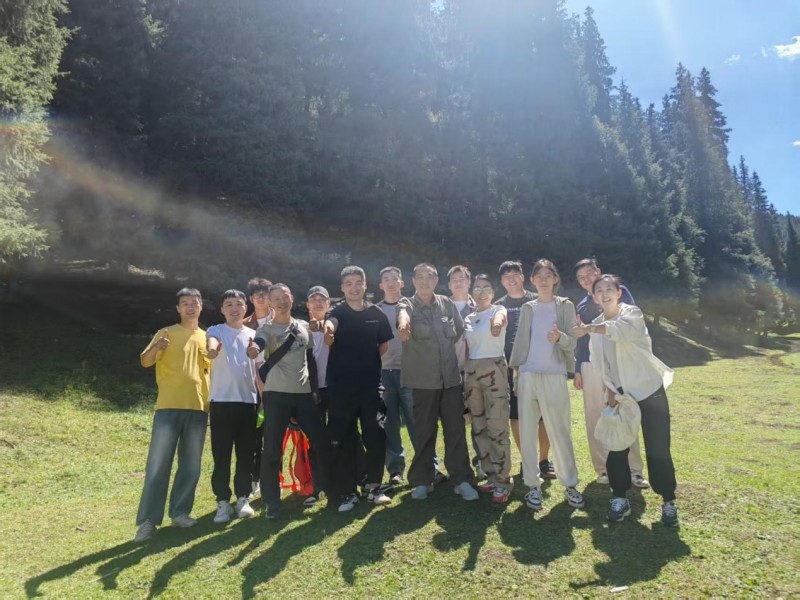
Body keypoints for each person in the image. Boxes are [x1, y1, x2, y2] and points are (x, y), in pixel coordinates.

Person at [572, 274, 678, 526]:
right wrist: (611, 392)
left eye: (610, 289)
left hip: (649, 390)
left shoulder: (632, 314)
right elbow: (602, 364)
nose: (605, 293)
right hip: (621, 395)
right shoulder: (596, 325)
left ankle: (668, 502)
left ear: (619, 293)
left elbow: (621, 331)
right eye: (599, 290)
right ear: (594, 297)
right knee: (617, 448)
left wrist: (588, 329)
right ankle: (620, 498)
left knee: (658, 449)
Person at [248, 283, 331, 519]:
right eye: (276, 298)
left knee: (321, 442)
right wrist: (254, 349)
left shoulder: (303, 326)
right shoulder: (266, 330)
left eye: (285, 297)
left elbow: (310, 360)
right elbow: (259, 343)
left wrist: (314, 390)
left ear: (292, 298)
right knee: (272, 449)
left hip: (304, 394)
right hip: (276, 395)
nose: (281, 301)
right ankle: (272, 502)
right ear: (270, 303)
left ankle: (327, 489)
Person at [134, 288, 211, 542]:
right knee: (158, 465)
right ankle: (147, 521)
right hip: (168, 407)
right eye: (185, 303)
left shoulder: (208, 337)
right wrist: (158, 347)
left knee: (191, 465)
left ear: (201, 306)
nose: (190, 307)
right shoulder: (165, 333)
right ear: (178, 308)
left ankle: (180, 513)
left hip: (198, 408)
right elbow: (145, 361)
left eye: (194, 302)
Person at [397, 263, 478, 501]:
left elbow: (458, 332)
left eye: (429, 277)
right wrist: (404, 324)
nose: (425, 281)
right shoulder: (407, 304)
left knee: (455, 431)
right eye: (420, 277)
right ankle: (423, 480)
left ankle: (461, 479)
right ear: (414, 281)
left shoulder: (446, 304)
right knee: (425, 432)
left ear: (436, 280)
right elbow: (403, 315)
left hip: (451, 380)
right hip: (423, 383)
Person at [509, 260, 584, 512]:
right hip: (528, 374)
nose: (543, 279)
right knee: (527, 432)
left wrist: (559, 337)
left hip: (555, 375)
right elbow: (521, 342)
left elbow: (572, 342)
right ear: (532, 280)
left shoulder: (565, 305)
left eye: (548, 275)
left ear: (555, 279)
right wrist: (517, 375)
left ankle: (570, 484)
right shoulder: (527, 307)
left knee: (560, 431)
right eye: (538, 275)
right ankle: (533, 486)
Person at [573, 258, 649, 488]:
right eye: (581, 278)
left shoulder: (619, 292)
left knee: (625, 411)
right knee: (595, 416)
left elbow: (629, 326)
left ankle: (634, 469)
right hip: (590, 364)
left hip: (619, 362)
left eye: (590, 274)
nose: (587, 280)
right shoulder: (582, 305)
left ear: (598, 271)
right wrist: (577, 369)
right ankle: (603, 469)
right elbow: (581, 340)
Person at [325, 266, 394, 512]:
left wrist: (366, 363)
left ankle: (374, 488)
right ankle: (348, 492)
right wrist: (328, 331)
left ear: (365, 285)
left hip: (370, 386)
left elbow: (383, 345)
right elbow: (330, 324)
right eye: (349, 283)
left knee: (375, 433)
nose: (354, 288)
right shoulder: (336, 312)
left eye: (358, 283)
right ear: (342, 288)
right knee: (344, 438)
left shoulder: (376, 313)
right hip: (341, 388)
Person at [495, 261, 555, 479]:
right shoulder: (498, 306)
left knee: (544, 415)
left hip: (541, 364)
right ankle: (527, 460)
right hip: (512, 368)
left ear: (523, 277)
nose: (511, 279)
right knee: (517, 415)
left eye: (514, 274)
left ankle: (543, 460)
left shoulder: (538, 299)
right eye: (506, 276)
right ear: (501, 282)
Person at [206, 290, 259, 523]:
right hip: (221, 402)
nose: (234, 309)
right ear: (222, 309)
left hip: (248, 402)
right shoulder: (215, 330)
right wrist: (212, 350)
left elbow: (258, 369)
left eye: (238, 304)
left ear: (245, 308)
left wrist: (264, 399)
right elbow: (212, 344)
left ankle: (243, 498)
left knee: (246, 453)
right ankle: (222, 502)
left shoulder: (254, 335)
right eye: (229, 304)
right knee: (221, 454)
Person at [463, 275, 513, 503]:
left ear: (493, 292)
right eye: (477, 289)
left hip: (494, 369)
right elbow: (467, 348)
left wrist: (496, 325)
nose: (481, 293)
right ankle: (490, 474)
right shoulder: (469, 317)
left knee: (497, 425)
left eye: (486, 288)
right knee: (479, 426)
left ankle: (503, 480)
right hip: (472, 372)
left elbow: (500, 320)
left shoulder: (498, 310)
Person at [447, 265, 483, 478]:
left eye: (463, 278)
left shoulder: (480, 306)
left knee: (478, 419)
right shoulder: (440, 307)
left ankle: (481, 462)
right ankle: (459, 468)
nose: (459, 282)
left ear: (469, 282)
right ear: (449, 284)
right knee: (455, 422)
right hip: (449, 373)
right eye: (455, 279)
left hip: (475, 372)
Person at [243, 277, 273, 499]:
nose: (261, 298)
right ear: (251, 299)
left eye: (265, 294)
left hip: (279, 384)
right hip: (251, 387)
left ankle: (273, 478)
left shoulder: (281, 320)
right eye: (257, 294)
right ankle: (255, 479)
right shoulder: (243, 324)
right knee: (254, 435)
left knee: (274, 435)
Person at [304, 285, 332, 506]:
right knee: (315, 441)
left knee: (344, 435)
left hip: (336, 388)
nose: (318, 303)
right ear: (307, 305)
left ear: (328, 304)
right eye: (314, 299)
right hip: (311, 391)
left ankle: (348, 480)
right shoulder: (300, 330)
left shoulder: (336, 326)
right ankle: (318, 486)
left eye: (322, 299)